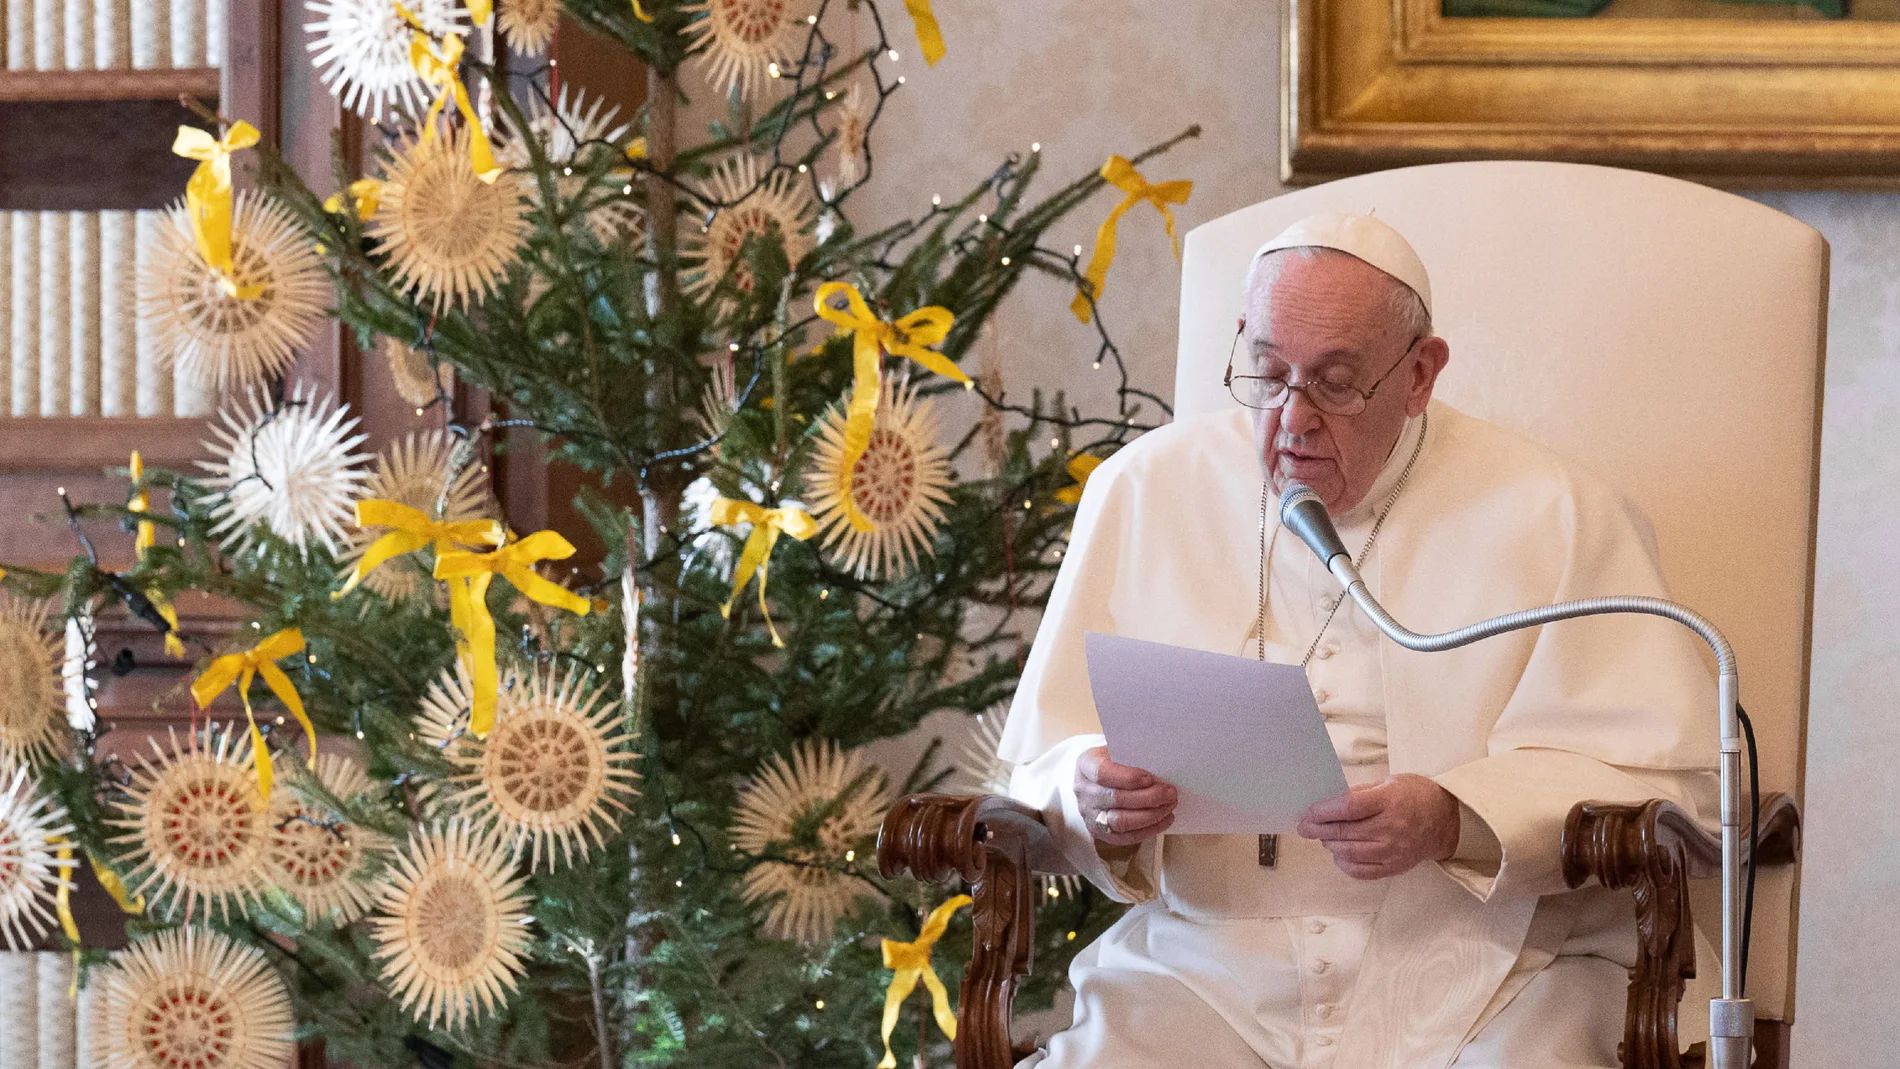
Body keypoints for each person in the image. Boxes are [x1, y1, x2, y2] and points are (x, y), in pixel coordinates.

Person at [999, 213, 1719, 1069]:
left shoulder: (1557, 513)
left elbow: (1673, 789)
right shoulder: (1144, 490)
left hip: (1494, 961)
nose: (1293, 420)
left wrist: (1457, 817)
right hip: (1210, 964)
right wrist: (1093, 792)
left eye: (1337, 383)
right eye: (1267, 372)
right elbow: (1040, 762)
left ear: (1420, 374)